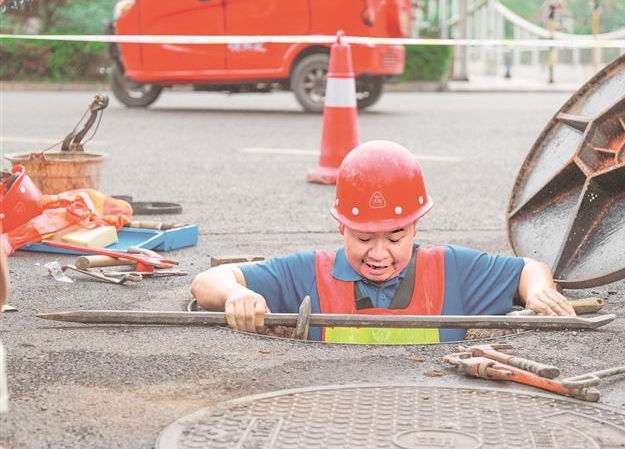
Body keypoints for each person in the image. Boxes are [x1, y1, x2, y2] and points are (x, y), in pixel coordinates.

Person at [191, 140, 574, 343]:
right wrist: (235, 295)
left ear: (415, 227)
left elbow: (528, 270)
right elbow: (207, 283)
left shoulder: (451, 270)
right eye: (362, 237)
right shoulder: (309, 273)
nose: (378, 253)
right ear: (341, 228)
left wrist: (539, 292)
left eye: (395, 237)